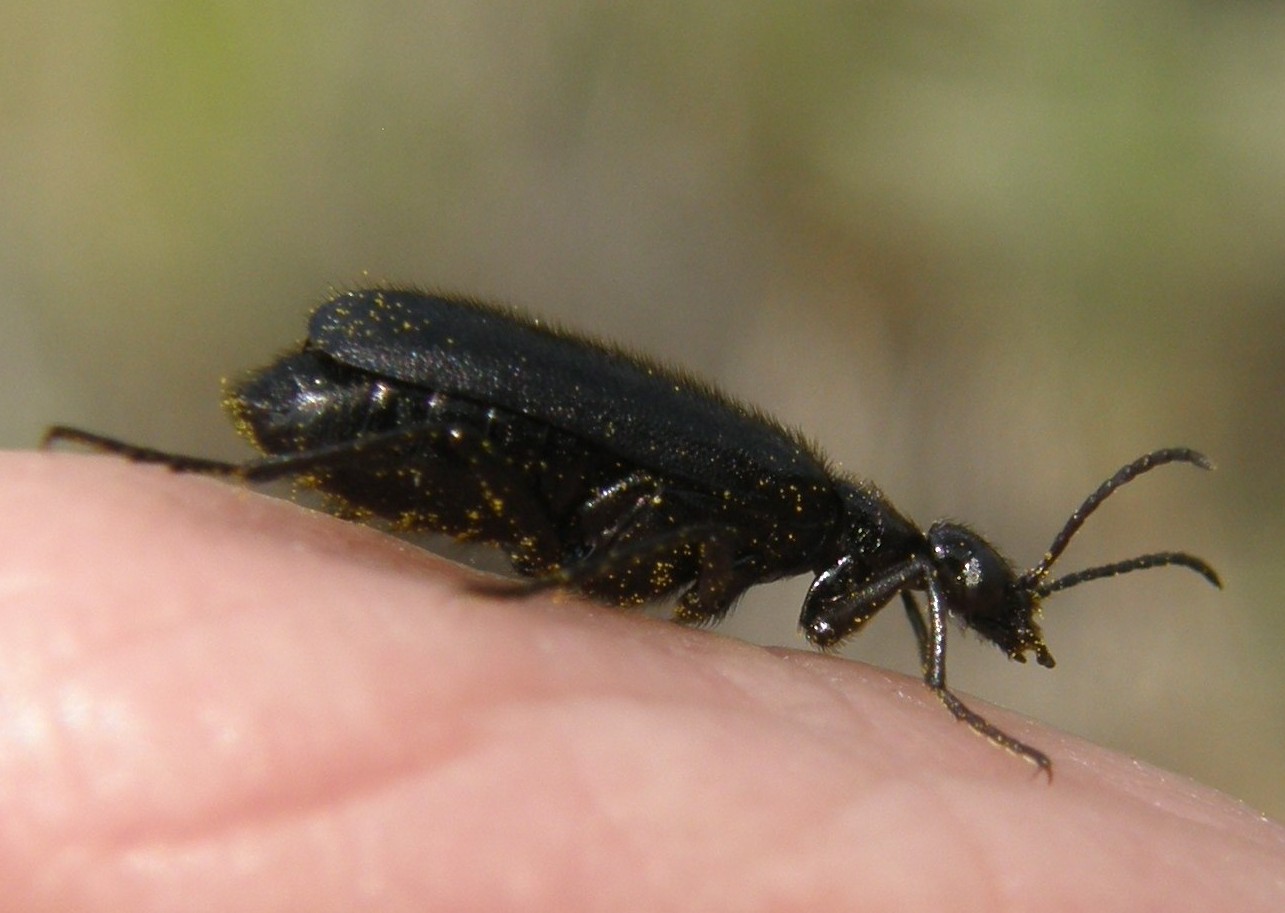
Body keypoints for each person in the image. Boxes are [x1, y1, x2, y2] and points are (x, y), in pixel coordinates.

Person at [2, 453, 1282, 911]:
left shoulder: (838, 537)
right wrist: (944, 703)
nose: (1001, 613)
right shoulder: (820, 524)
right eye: (1002, 600)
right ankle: (201, 472)